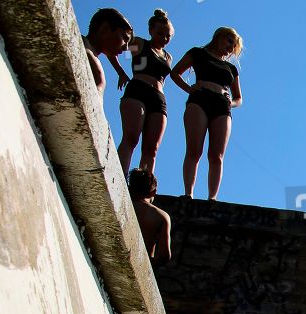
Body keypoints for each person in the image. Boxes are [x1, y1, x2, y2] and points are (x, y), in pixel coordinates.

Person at [171, 27, 244, 200]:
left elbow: (239, 98)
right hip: (199, 100)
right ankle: (188, 193)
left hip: (222, 107)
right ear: (218, 37)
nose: (230, 48)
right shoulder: (198, 53)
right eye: (229, 42)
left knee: (217, 155)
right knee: (194, 150)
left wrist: (231, 102)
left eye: (233, 46)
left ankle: (212, 198)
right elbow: (175, 73)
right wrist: (190, 88)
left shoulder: (231, 69)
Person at [116, 9, 175, 175]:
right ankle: (120, 177)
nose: (164, 38)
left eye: (168, 36)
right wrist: (121, 72)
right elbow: (117, 47)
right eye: (160, 33)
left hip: (158, 98)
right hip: (138, 90)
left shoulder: (168, 57)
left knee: (151, 148)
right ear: (151, 31)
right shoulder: (140, 44)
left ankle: (142, 189)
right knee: (131, 138)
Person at [128, 168, 171, 263]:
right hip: (140, 263)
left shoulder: (122, 204)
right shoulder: (161, 216)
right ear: (153, 192)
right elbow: (164, 256)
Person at [83, 8, 133, 90]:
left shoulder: (90, 53)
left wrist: (121, 73)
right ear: (105, 29)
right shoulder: (83, 48)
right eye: (124, 38)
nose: (126, 48)